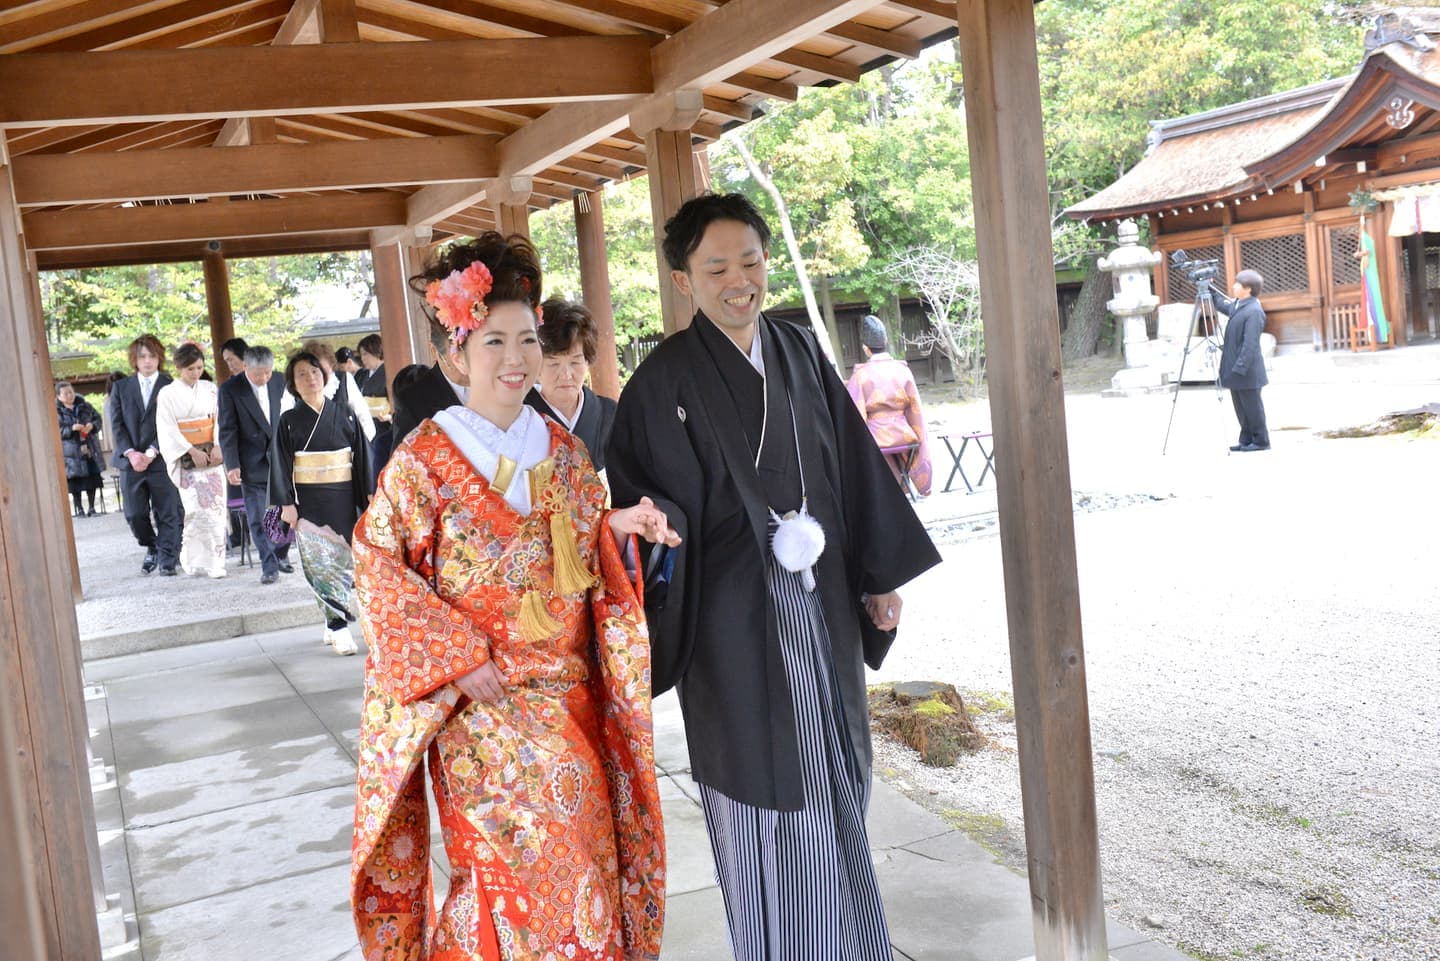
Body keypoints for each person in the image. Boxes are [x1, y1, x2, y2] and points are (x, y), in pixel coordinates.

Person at [607, 193, 941, 961]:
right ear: (684, 278)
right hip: (731, 626)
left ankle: (856, 946)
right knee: (762, 791)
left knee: (834, 773)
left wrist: (875, 578)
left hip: (821, 603)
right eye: (717, 266)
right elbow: (637, 511)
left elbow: (851, 473)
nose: (739, 280)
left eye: (751, 261)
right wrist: (662, 529)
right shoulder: (660, 384)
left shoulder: (797, 351)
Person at [350, 233, 670, 961]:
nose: (516, 357)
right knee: (498, 889)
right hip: (480, 713)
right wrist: (456, 657)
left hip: (567, 705)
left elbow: (580, 549)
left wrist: (617, 528)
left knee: (583, 869)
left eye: (527, 338)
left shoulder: (565, 454)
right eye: (494, 339)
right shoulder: (423, 460)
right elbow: (375, 564)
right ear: (456, 351)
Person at [270, 350, 370, 654]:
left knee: (342, 563)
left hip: (343, 497)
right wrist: (286, 503)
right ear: (293, 384)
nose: (310, 378)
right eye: (301, 374)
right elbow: (280, 463)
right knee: (320, 564)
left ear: (324, 377)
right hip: (309, 501)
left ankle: (331, 621)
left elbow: (362, 457)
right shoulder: (288, 421)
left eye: (314, 372)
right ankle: (339, 628)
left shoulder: (345, 413)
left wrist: (368, 494)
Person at [107, 335, 184, 576]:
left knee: (168, 511)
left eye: (152, 356)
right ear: (134, 359)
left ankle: (168, 560)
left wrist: (151, 452)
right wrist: (131, 453)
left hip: (161, 459)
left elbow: (174, 423)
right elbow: (116, 424)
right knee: (134, 514)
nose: (147, 361)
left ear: (159, 358)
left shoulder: (171, 385)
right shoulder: (121, 387)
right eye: (142, 356)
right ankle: (152, 545)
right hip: (131, 462)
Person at [217, 345, 294, 585]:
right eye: (258, 373)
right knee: (260, 517)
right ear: (245, 367)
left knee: (284, 513)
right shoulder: (231, 389)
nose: (264, 378)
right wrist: (232, 464)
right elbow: (227, 429)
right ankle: (268, 564)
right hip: (251, 462)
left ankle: (281, 553)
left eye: (268, 373)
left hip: (282, 458)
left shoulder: (281, 381)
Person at [154, 343, 229, 579]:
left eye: (198, 368)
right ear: (178, 368)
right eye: (190, 369)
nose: (195, 373)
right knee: (195, 512)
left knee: (216, 511)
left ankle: (217, 562)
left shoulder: (209, 389)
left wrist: (218, 443)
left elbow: (219, 420)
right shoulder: (167, 394)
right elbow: (167, 428)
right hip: (187, 459)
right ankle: (194, 560)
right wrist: (190, 449)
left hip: (212, 457)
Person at [525, 297, 618, 473]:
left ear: (587, 361)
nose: (566, 375)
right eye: (553, 364)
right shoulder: (519, 416)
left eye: (575, 362)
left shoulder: (609, 414)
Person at [845, 314, 934, 496]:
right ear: (885, 340)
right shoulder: (903, 371)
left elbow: (855, 416)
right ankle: (905, 487)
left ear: (865, 348)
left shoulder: (860, 376)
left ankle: (885, 494)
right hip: (904, 433)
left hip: (876, 437)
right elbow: (915, 410)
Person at [389, 310, 470, 443]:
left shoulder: (499, 383)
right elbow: (404, 459)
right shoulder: (412, 401)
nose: (466, 360)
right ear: (435, 352)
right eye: (457, 350)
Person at [281, 340, 377, 451]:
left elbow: (364, 417)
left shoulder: (344, 380)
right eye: (313, 370)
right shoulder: (295, 384)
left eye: (324, 370)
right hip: (307, 455)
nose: (316, 376)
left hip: (345, 453)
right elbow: (285, 423)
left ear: (331, 365)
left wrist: (356, 450)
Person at [1213, 269, 1270, 452]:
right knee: (1241, 410)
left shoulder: (1254, 310)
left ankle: (1261, 441)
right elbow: (1223, 307)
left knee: (1253, 409)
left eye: (1238, 284)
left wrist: (1240, 367)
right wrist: (1211, 291)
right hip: (1236, 369)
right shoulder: (1239, 304)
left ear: (1248, 289)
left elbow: (1250, 344)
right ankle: (1245, 440)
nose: (1233, 286)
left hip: (1247, 370)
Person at [56, 381, 104, 517]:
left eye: (71, 391)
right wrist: (70, 429)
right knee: (75, 481)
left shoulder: (85, 406)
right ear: (59, 397)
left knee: (92, 477)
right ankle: (79, 509)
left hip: (88, 447)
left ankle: (92, 508)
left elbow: (98, 420)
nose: (70, 395)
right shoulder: (57, 411)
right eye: (65, 393)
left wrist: (92, 426)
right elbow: (56, 431)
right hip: (71, 451)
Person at [355, 333, 392, 486]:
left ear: (376, 351)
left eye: (365, 354)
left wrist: (390, 416)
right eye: (361, 354)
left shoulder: (388, 371)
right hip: (367, 423)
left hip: (383, 424)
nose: (363, 358)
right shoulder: (362, 375)